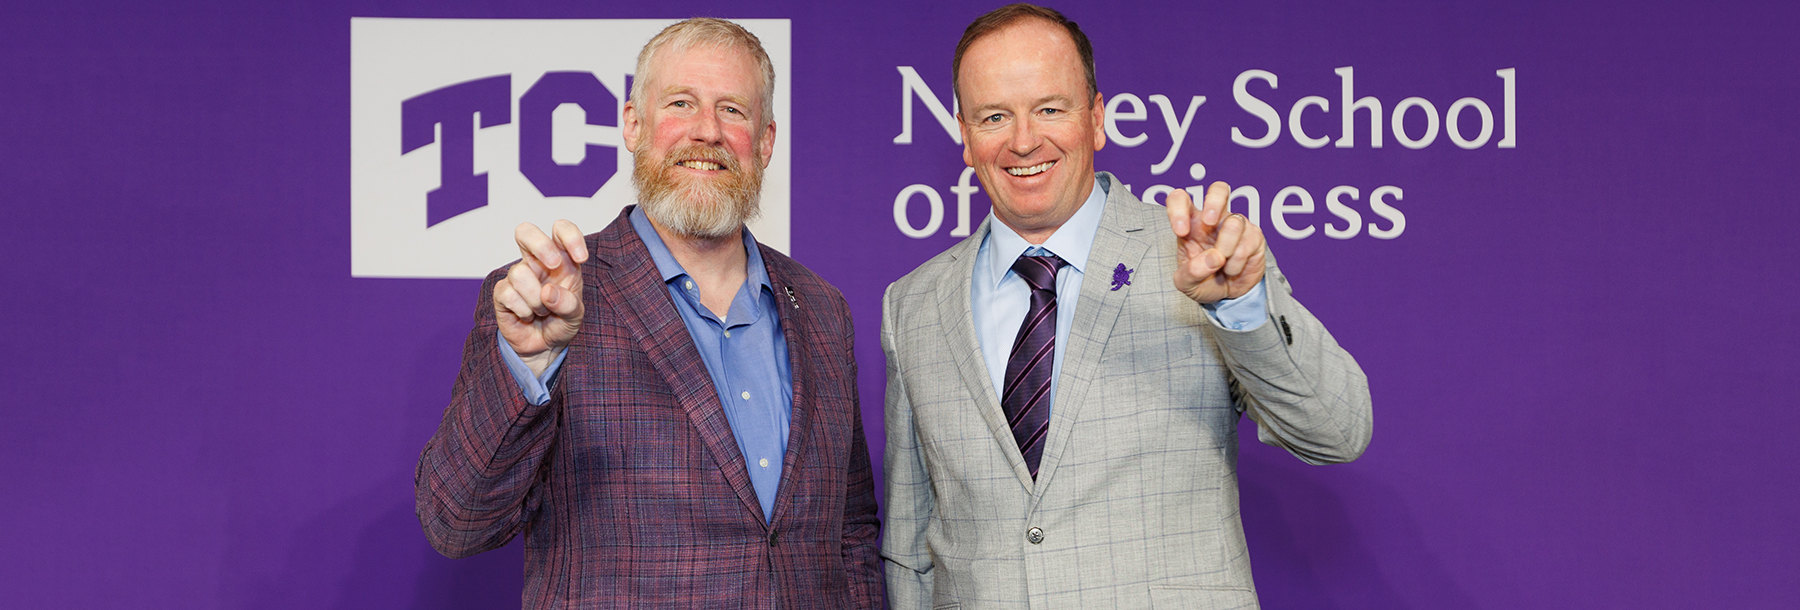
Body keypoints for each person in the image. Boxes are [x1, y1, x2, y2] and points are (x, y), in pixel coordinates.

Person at [879, 4, 1373, 608]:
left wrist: (1243, 306)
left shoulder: (1202, 259)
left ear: (1097, 119)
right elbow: (909, 544)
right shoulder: (914, 305)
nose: (1024, 139)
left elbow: (1336, 433)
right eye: (994, 116)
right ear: (965, 134)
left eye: (1051, 109)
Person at [415, 18, 882, 609]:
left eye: (733, 110)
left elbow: (851, 533)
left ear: (765, 142)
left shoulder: (821, 309)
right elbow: (457, 523)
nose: (707, 131)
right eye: (681, 103)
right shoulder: (552, 298)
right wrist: (529, 366)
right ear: (633, 125)